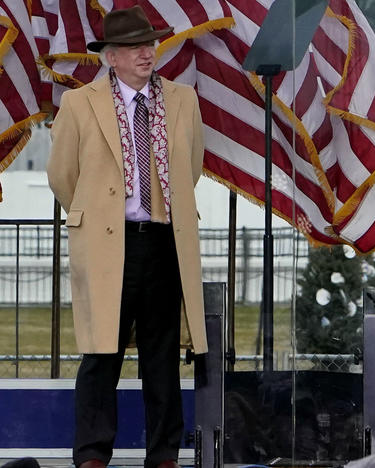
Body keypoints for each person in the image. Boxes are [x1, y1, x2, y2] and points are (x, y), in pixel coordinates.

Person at [47, 6, 208, 468]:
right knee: (101, 352)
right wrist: (99, 214)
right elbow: (63, 176)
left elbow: (190, 167)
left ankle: (164, 455)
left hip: (161, 241)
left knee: (162, 354)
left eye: (150, 43)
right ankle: (93, 453)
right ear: (110, 57)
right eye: (136, 46)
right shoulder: (80, 103)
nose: (147, 52)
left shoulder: (182, 99)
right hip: (106, 244)